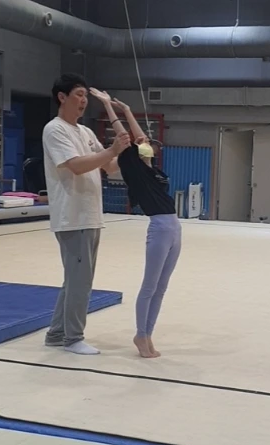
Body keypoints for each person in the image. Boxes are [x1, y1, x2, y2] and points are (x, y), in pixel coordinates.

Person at [42, 73, 131, 355]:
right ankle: (73, 338)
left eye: (85, 96)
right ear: (62, 97)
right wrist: (112, 150)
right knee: (80, 281)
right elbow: (77, 166)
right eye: (78, 95)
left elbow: (110, 167)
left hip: (90, 214)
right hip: (72, 215)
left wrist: (128, 153)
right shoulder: (55, 130)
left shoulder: (85, 132)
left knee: (75, 279)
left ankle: (57, 333)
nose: (83, 101)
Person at [90, 88, 181, 359]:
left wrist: (128, 110)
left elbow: (140, 136)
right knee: (150, 286)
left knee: (162, 287)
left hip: (175, 228)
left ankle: (148, 334)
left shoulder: (152, 169)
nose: (145, 141)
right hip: (160, 228)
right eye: (142, 143)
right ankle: (141, 334)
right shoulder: (133, 165)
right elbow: (124, 134)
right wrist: (109, 107)